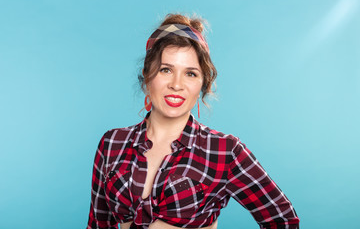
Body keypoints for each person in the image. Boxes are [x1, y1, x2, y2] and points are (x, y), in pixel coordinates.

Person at [87, 14, 300, 229]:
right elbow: (97, 224)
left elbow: (284, 220)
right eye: (166, 70)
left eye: (190, 73)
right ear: (146, 76)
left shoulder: (225, 151)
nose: (177, 85)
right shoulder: (112, 143)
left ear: (202, 84)